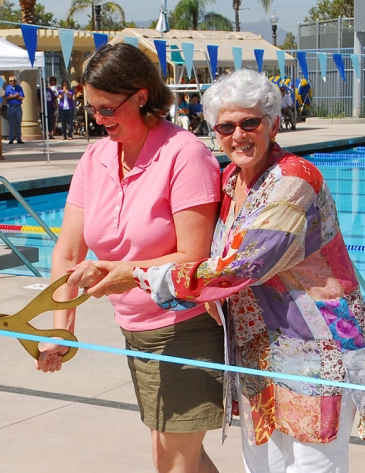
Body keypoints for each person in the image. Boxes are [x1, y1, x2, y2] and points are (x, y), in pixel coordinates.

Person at [90, 69, 365, 473]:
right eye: (226, 126)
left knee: (311, 467)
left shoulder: (294, 181)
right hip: (260, 352)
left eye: (250, 122)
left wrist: (135, 275)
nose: (237, 134)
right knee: (260, 466)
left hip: (317, 351)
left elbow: (240, 267)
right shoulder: (230, 180)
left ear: (274, 124)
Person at [36, 43, 224, 473]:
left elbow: (194, 259)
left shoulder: (184, 154)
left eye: (107, 109)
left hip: (186, 329)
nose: (98, 120)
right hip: (135, 332)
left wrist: (130, 273)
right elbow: (67, 252)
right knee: (186, 458)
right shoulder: (96, 157)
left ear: (141, 96)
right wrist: (61, 329)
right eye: (92, 110)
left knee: (172, 462)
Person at [4, 76, 24, 144]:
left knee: (18, 123)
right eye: (11, 81)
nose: (12, 82)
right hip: (10, 107)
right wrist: (15, 96)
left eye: (14, 81)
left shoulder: (19, 88)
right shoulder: (7, 88)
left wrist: (12, 96)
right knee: (11, 124)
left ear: (16, 81)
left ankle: (19, 138)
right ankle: (11, 139)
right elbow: (7, 97)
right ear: (9, 82)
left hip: (18, 107)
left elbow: (21, 97)